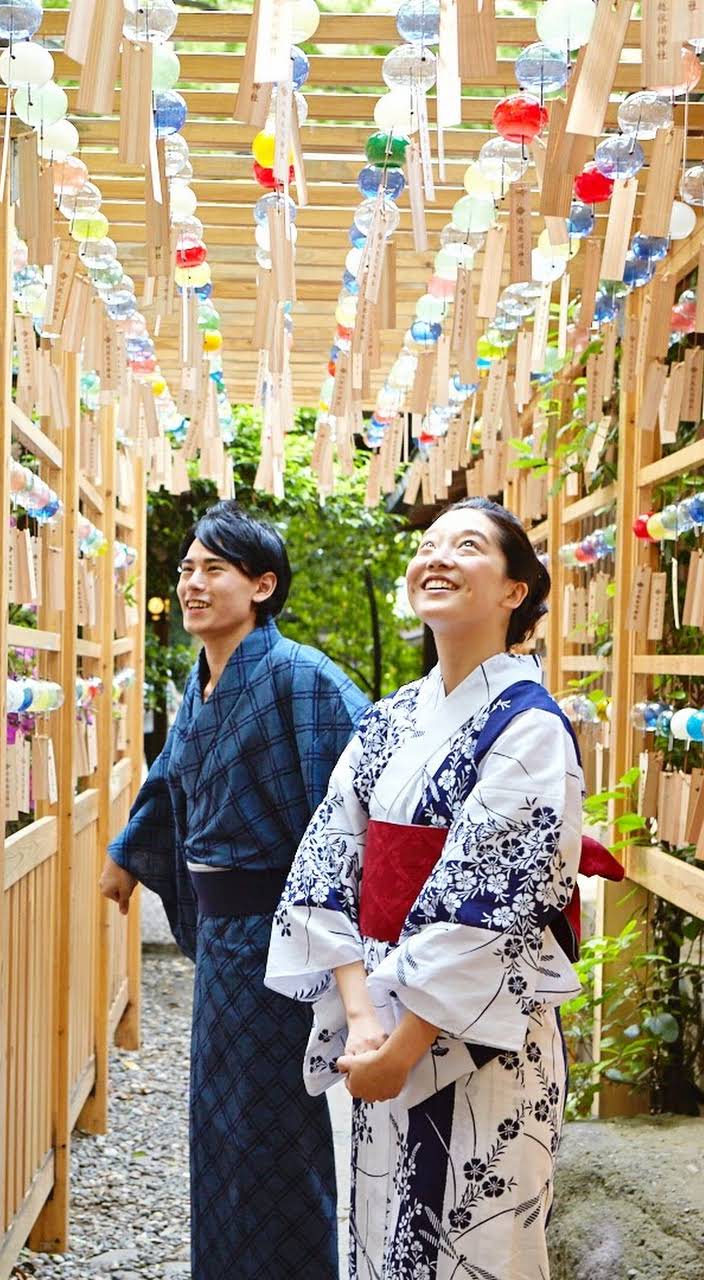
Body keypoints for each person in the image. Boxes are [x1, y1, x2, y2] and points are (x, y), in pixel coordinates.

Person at [265, 497, 591, 1280]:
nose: (436, 558)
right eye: (430, 546)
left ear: (516, 592)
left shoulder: (531, 727)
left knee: (477, 1242)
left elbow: (488, 906)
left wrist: (401, 1043)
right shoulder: (391, 718)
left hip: (479, 1040)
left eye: (468, 546)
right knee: (380, 1231)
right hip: (379, 1015)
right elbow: (327, 861)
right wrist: (360, 1020)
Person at [99, 501, 367, 1280]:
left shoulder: (303, 679)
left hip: (287, 939)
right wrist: (128, 853)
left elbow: (355, 807)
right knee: (221, 1124)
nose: (192, 583)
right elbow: (171, 774)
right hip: (224, 944)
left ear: (262, 585)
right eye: (187, 568)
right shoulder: (205, 681)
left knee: (274, 1129)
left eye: (214, 568)